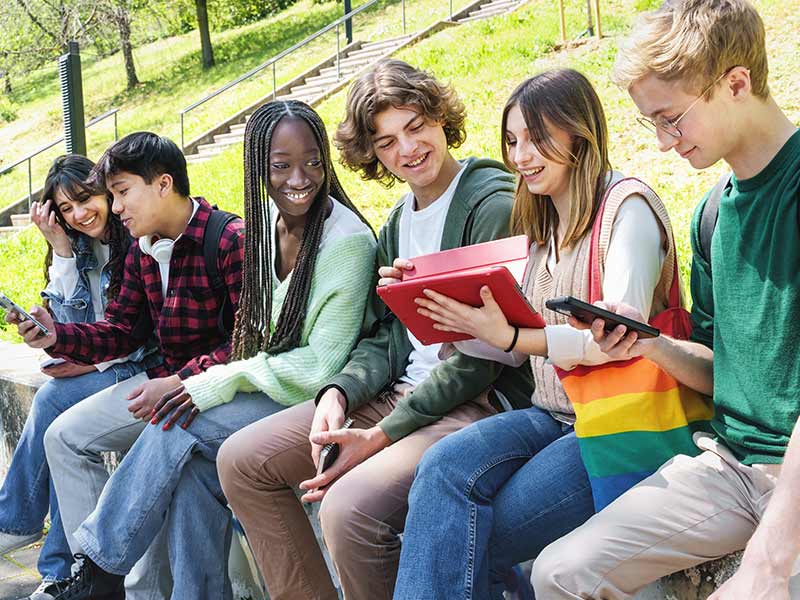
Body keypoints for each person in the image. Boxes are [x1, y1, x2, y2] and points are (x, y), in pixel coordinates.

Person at [215, 59, 533, 600]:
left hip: (476, 402)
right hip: (397, 394)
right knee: (243, 461)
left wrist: (382, 435)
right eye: (386, 144)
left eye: (415, 127)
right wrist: (338, 393)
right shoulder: (398, 221)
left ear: (441, 118)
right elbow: (386, 337)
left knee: (349, 508)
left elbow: (483, 358)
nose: (406, 151)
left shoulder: (490, 203)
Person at [42, 100, 378, 600]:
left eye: (312, 161)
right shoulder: (266, 224)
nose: (298, 178)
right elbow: (241, 331)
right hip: (260, 382)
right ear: (258, 168)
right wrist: (56, 336)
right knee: (197, 471)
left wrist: (206, 382)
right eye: (280, 165)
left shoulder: (343, 240)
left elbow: (320, 364)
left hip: (317, 396)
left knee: (176, 422)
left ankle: (100, 566)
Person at [530, 1, 800, 599]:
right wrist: (649, 344)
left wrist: (769, 561)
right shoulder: (711, 216)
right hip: (732, 471)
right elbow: (718, 371)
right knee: (559, 573)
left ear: (736, 82)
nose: (661, 142)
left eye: (671, 119)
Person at [392, 67, 680, 600]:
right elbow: (511, 337)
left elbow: (616, 338)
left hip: (614, 424)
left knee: (467, 533)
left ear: (580, 132)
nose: (520, 156)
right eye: (512, 141)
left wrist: (514, 339)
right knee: (440, 470)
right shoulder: (545, 220)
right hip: (552, 411)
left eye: (537, 138)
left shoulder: (628, 208)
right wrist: (436, 305)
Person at [0, 155, 162, 600]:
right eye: (65, 209)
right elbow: (76, 325)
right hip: (106, 363)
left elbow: (130, 333)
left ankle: (19, 527)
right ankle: (54, 566)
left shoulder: (133, 238)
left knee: (55, 401)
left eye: (85, 199)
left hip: (141, 366)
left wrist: (81, 357)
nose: (78, 214)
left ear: (108, 191)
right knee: (57, 405)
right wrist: (62, 250)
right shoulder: (81, 245)